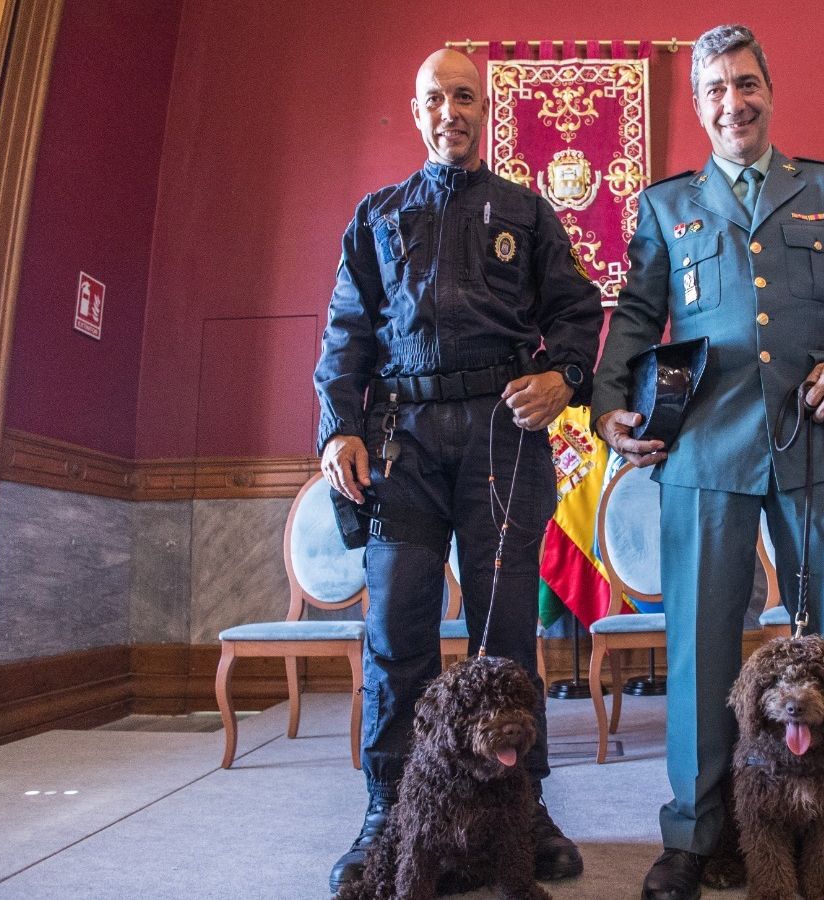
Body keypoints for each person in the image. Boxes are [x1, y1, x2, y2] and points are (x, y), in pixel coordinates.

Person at [591, 24, 824, 900]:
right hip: (703, 445)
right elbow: (634, 316)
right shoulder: (666, 206)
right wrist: (609, 404)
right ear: (696, 106)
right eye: (717, 89)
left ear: (770, 89)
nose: (734, 101)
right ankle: (694, 836)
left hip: (818, 439)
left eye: (747, 82)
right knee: (699, 648)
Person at [315, 48, 601, 896]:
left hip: (501, 437)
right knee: (397, 632)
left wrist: (566, 378)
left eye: (466, 96)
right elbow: (344, 336)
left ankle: (524, 803)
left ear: (487, 109)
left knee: (504, 634)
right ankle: (389, 806)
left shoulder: (526, 211)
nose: (451, 110)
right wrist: (338, 430)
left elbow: (578, 313)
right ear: (417, 112)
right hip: (400, 444)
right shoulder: (378, 214)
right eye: (435, 98)